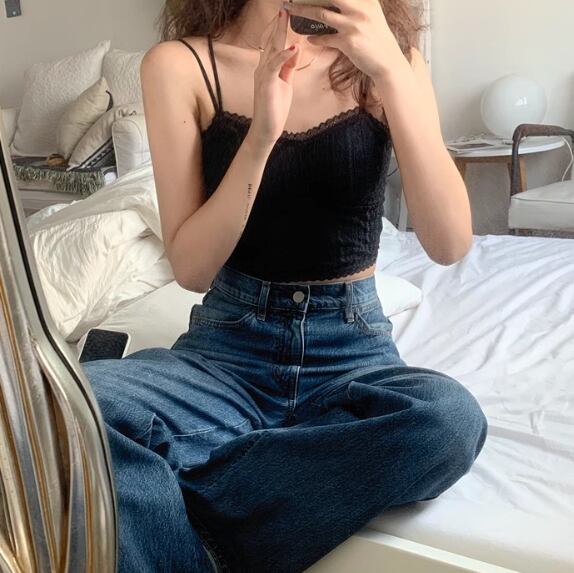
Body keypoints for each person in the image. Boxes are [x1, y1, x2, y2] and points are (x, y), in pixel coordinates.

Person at [81, 1, 488, 571]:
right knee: (71, 408)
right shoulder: (180, 65)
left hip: (350, 351)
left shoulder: (393, 60)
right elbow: (192, 270)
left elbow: (449, 243)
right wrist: (261, 136)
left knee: (447, 422)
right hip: (226, 353)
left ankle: (200, 532)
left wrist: (391, 72)